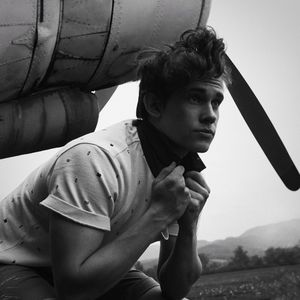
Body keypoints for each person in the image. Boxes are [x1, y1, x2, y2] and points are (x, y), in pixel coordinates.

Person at [0, 26, 231, 299]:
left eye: (216, 102)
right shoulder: (96, 159)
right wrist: (159, 212)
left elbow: (175, 289)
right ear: (154, 106)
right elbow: (73, 292)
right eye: (195, 98)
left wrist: (189, 223)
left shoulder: (179, 173)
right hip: (13, 261)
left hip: (89, 265)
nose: (210, 115)